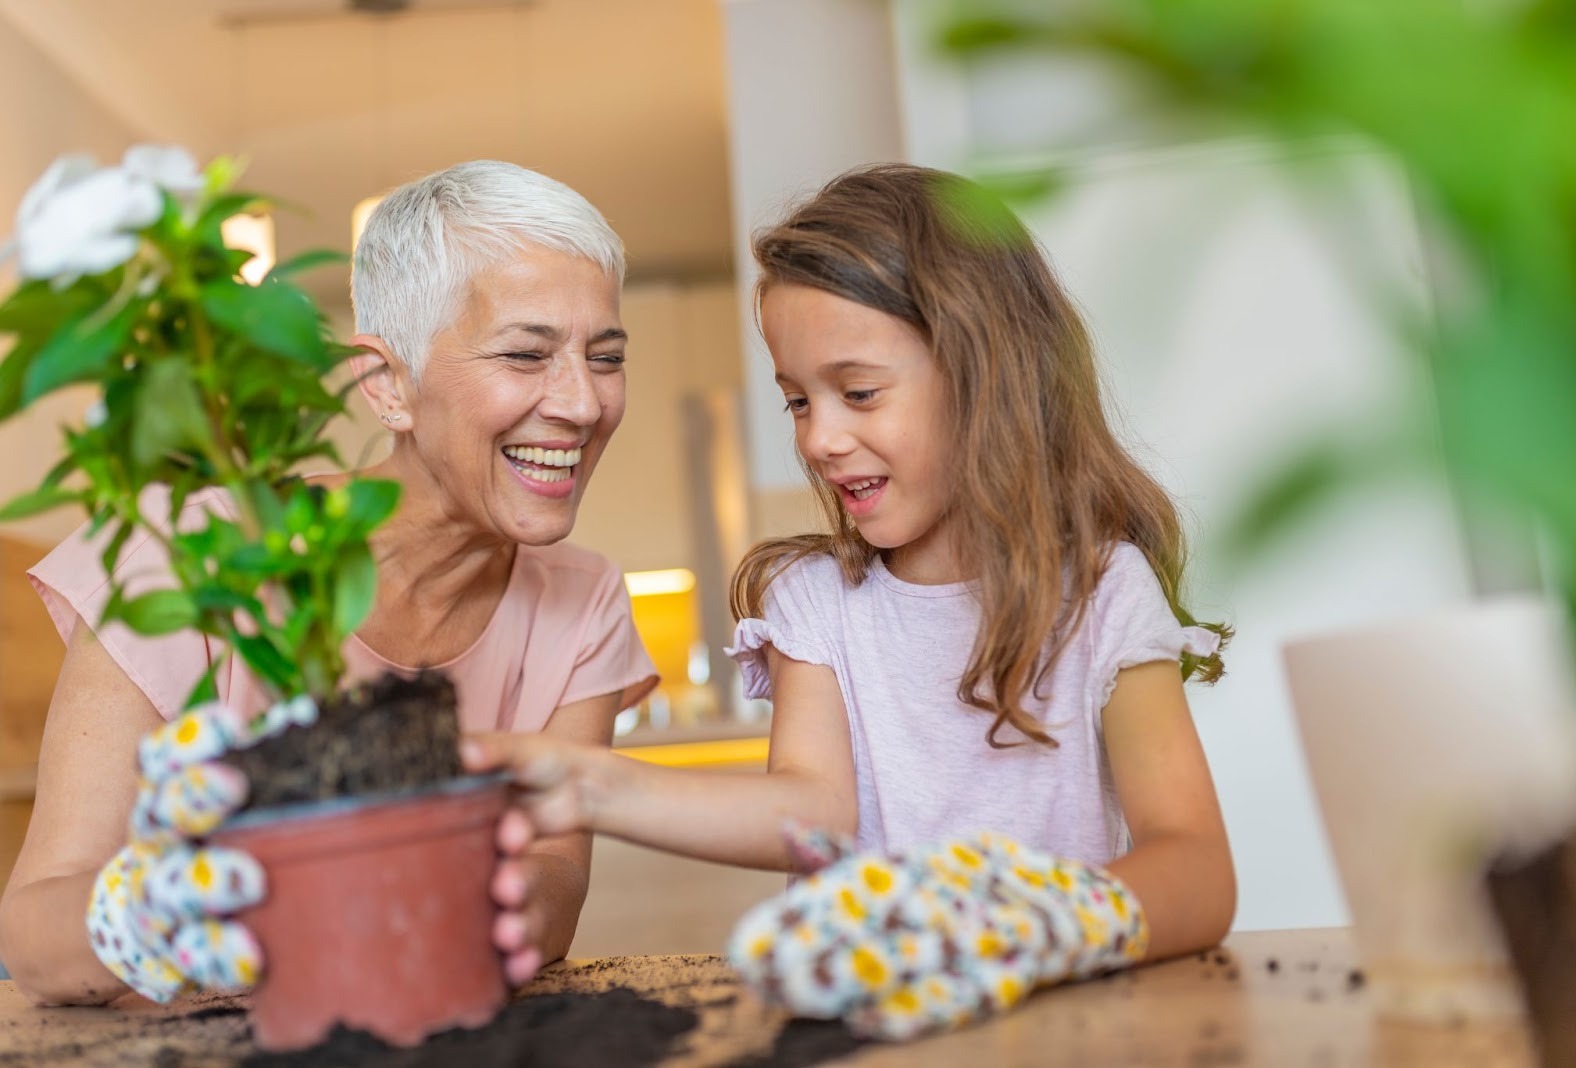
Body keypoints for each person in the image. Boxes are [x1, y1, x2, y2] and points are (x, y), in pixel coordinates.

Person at [464, 163, 1236, 1035]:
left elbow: (1199, 871)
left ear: (988, 373)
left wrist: (1020, 929)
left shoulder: (1100, 593)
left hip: (1065, 1036)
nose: (821, 439)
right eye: (799, 401)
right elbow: (812, 812)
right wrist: (592, 785)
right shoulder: (815, 603)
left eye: (858, 392)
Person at [0, 160, 657, 1005]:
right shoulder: (192, 554)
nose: (581, 402)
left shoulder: (584, 601)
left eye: (605, 357)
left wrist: (498, 908)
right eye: (527, 354)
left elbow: (557, 868)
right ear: (386, 385)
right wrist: (219, 901)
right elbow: (39, 938)